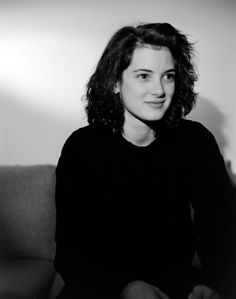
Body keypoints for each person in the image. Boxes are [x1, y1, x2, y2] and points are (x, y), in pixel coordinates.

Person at [54, 23, 235, 299]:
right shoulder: (82, 148)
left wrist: (213, 282)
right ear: (115, 82)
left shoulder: (195, 142)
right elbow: (71, 251)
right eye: (143, 76)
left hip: (178, 283)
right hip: (100, 285)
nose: (159, 90)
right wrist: (123, 287)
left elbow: (223, 228)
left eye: (168, 76)